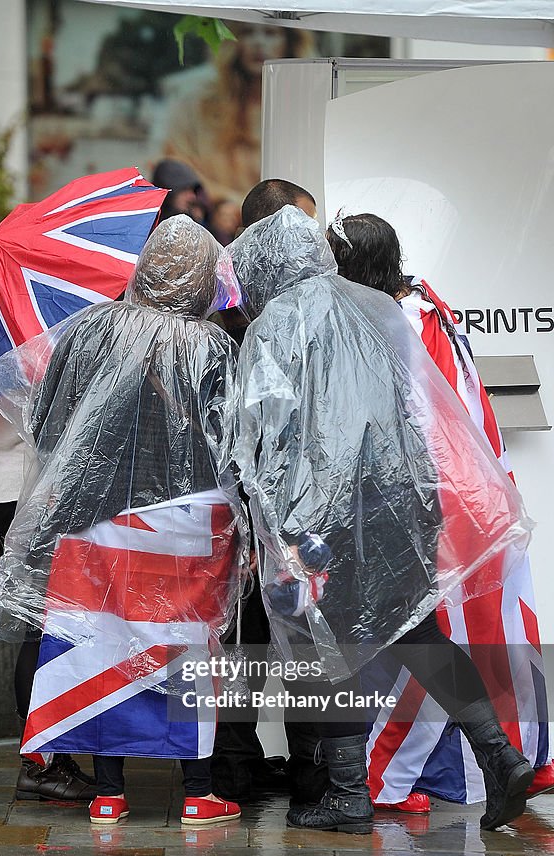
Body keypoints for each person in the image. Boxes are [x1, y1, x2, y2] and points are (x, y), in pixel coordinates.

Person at [230, 205, 535, 834]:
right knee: (418, 633)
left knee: (325, 649)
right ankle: (498, 753)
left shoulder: (274, 326)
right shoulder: (380, 308)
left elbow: (263, 426)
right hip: (400, 500)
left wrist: (267, 519)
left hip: (319, 512)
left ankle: (346, 794)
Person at [0, 216, 246, 827]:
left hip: (94, 526)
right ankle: (197, 792)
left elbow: (50, 428)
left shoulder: (86, 332)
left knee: (100, 650)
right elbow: (232, 444)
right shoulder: (211, 347)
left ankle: (108, 793)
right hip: (185, 529)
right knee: (186, 655)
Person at [325, 211, 554, 812]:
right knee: (470, 634)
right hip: (472, 494)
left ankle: (387, 781)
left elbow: (400, 423)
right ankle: (511, 756)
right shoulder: (429, 302)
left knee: (410, 641)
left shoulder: (385, 324)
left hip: (422, 504)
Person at [209, 178, 323, 805]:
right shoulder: (242, 306)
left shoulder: (262, 302)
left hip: (275, 504)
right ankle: (257, 767)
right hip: (255, 506)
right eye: (304, 225)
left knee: (269, 637)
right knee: (256, 638)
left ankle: (255, 764)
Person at [0, 405, 98, 803]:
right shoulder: (32, 354)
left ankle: (48, 759)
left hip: (11, 492)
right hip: (33, 497)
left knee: (44, 628)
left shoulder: (4, 351)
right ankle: (40, 765)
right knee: (41, 630)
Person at [154, 25, 316, 205]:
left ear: (290, 42)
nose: (258, 42)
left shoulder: (308, 110)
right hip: (214, 222)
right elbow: (174, 166)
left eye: (270, 33)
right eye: (247, 32)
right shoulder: (197, 105)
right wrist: (229, 202)